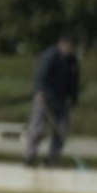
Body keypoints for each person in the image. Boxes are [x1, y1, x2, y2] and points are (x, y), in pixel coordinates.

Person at [27, 33, 83, 165]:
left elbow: (74, 82)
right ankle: (29, 156)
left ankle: (53, 158)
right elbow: (41, 74)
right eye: (68, 46)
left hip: (61, 101)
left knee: (61, 131)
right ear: (62, 44)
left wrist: (74, 99)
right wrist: (39, 92)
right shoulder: (50, 56)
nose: (69, 49)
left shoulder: (72, 61)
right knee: (38, 129)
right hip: (44, 99)